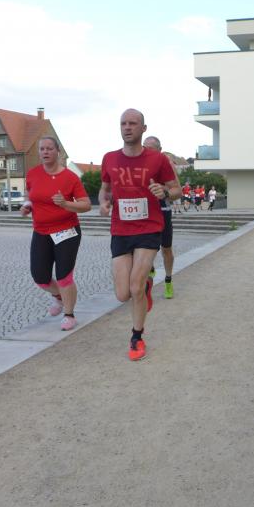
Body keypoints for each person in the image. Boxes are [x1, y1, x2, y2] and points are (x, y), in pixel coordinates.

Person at [99, 109, 181, 361]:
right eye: (123, 123)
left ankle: (137, 337)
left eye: (133, 123)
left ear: (143, 128)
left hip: (149, 227)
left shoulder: (157, 159)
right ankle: (146, 287)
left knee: (134, 286)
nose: (127, 127)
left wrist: (164, 193)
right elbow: (104, 189)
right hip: (120, 230)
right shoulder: (109, 158)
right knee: (122, 294)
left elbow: (177, 189)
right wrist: (103, 202)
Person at [21, 136, 91, 331]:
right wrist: (27, 205)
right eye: (42, 149)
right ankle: (59, 297)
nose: (45, 152)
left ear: (58, 152)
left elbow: (86, 205)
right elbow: (30, 193)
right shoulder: (33, 173)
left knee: (64, 276)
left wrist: (66, 204)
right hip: (41, 231)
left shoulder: (70, 177)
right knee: (39, 276)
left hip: (67, 231)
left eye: (49, 148)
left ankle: (69, 314)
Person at [143, 135, 180, 300]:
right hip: (145, 211)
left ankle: (168, 279)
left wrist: (163, 190)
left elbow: (177, 191)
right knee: (144, 247)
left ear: (159, 150)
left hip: (163, 210)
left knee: (166, 249)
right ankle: (148, 273)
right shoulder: (139, 163)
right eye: (145, 147)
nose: (147, 150)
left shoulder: (166, 163)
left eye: (150, 148)